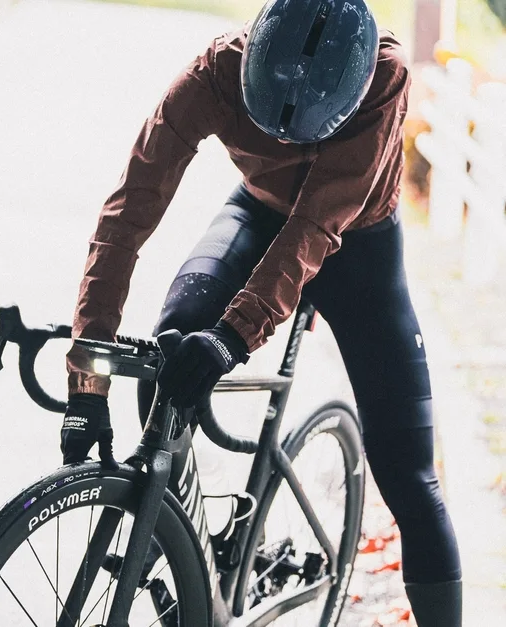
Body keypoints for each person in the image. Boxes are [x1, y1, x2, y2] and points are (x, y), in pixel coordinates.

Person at [57, 0, 462, 624]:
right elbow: (128, 212)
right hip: (258, 211)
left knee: (410, 478)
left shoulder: (386, 76)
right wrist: (87, 372)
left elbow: (316, 226)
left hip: (357, 244)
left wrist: (234, 335)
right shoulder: (214, 72)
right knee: (173, 344)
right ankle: (191, 553)